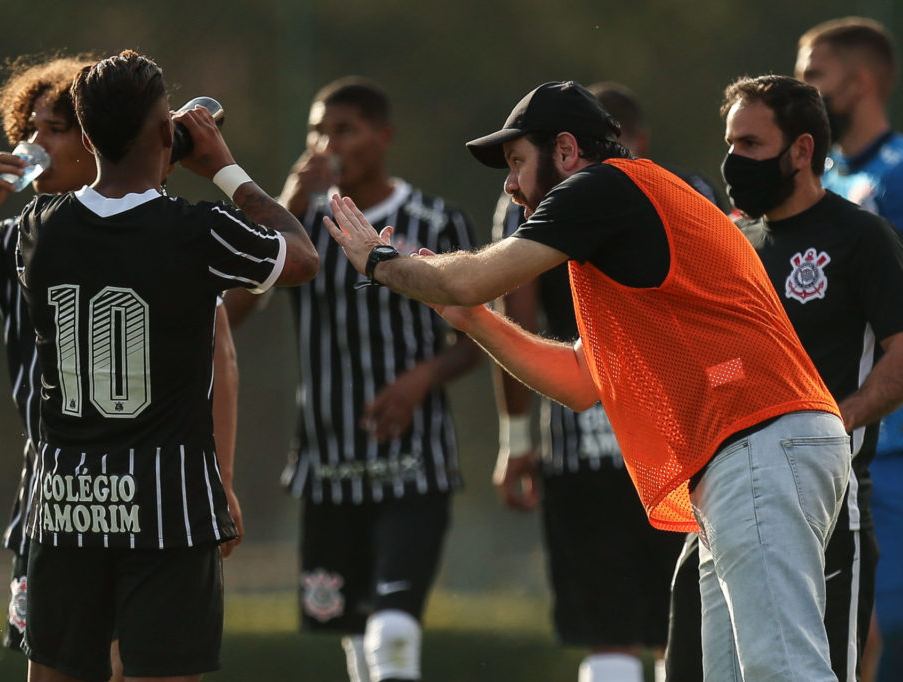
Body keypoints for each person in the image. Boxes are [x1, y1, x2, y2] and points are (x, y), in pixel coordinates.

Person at [325, 80, 852, 680]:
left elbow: (469, 278)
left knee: (783, 671)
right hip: (751, 451)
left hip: (758, 442)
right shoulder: (613, 227)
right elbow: (580, 380)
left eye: (519, 161)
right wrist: (473, 322)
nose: (510, 182)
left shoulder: (604, 187)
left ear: (569, 151)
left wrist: (378, 261)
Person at [15, 50, 318, 682]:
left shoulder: (37, 227)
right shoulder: (197, 231)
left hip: (67, 505)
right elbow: (300, 257)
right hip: (167, 512)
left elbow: (115, 225)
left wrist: (148, 162)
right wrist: (225, 169)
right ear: (165, 132)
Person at [665, 73, 903, 682]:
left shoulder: (861, 238)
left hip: (828, 502)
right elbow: (720, 362)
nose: (731, 161)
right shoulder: (732, 243)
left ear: (801, 150)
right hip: (722, 499)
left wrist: (834, 419)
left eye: (749, 145)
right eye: (729, 143)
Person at [269, 76, 480, 682]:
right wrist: (286, 201)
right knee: (357, 642)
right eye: (316, 130)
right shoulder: (298, 227)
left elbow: (477, 338)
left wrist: (421, 379)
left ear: (382, 137)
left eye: (343, 130)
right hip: (329, 467)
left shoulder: (435, 222)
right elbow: (237, 306)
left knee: (392, 630)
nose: (325, 144)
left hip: (411, 464)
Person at [491, 81, 690, 682]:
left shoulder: (533, 202)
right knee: (680, 627)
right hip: (672, 443)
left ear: (571, 148)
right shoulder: (679, 193)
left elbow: (516, 312)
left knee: (607, 632)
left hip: (579, 440)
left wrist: (516, 438)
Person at [797, 18, 903, 680]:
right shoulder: (814, 182)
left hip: (890, 444)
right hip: (825, 440)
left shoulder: (895, 175)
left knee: (880, 629)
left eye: (815, 76)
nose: (803, 90)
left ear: (860, 82)